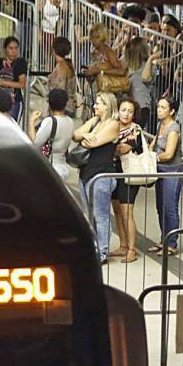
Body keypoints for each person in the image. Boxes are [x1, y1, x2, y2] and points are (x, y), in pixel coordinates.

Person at [73, 92, 121, 263]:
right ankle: (92, 247)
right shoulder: (94, 121)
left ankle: (102, 251)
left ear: (108, 106)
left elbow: (92, 143)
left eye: (99, 103)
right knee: (88, 215)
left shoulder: (114, 124)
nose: (95, 106)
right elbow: (76, 134)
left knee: (100, 215)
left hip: (102, 175)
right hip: (85, 173)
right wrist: (85, 136)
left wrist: (85, 138)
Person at [111, 98, 144, 264]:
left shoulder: (135, 130)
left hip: (129, 174)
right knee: (117, 210)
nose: (126, 114)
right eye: (123, 110)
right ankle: (123, 245)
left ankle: (132, 249)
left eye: (130, 111)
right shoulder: (113, 125)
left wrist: (109, 142)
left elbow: (123, 149)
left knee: (127, 212)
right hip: (114, 171)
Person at [150, 96, 183, 254]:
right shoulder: (159, 125)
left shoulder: (173, 128)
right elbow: (154, 144)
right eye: (158, 107)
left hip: (172, 170)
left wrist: (153, 157)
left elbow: (169, 154)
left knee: (170, 207)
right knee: (160, 206)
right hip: (160, 170)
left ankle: (172, 243)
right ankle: (164, 238)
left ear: (171, 111)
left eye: (163, 107)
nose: (159, 110)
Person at [28, 89, 76, 181]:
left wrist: (31, 121)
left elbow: (35, 144)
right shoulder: (70, 121)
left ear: (49, 104)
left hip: (51, 167)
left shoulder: (50, 121)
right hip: (63, 166)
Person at [0, 36, 28, 123]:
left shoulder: (20, 63)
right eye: (10, 48)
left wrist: (4, 83)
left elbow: (22, 84)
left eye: (16, 48)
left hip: (15, 102)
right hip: (0, 101)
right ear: (5, 49)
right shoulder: (0, 62)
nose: (13, 51)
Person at [46, 37, 78, 116]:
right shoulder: (68, 64)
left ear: (54, 50)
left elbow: (60, 89)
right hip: (68, 105)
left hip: (61, 108)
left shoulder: (61, 66)